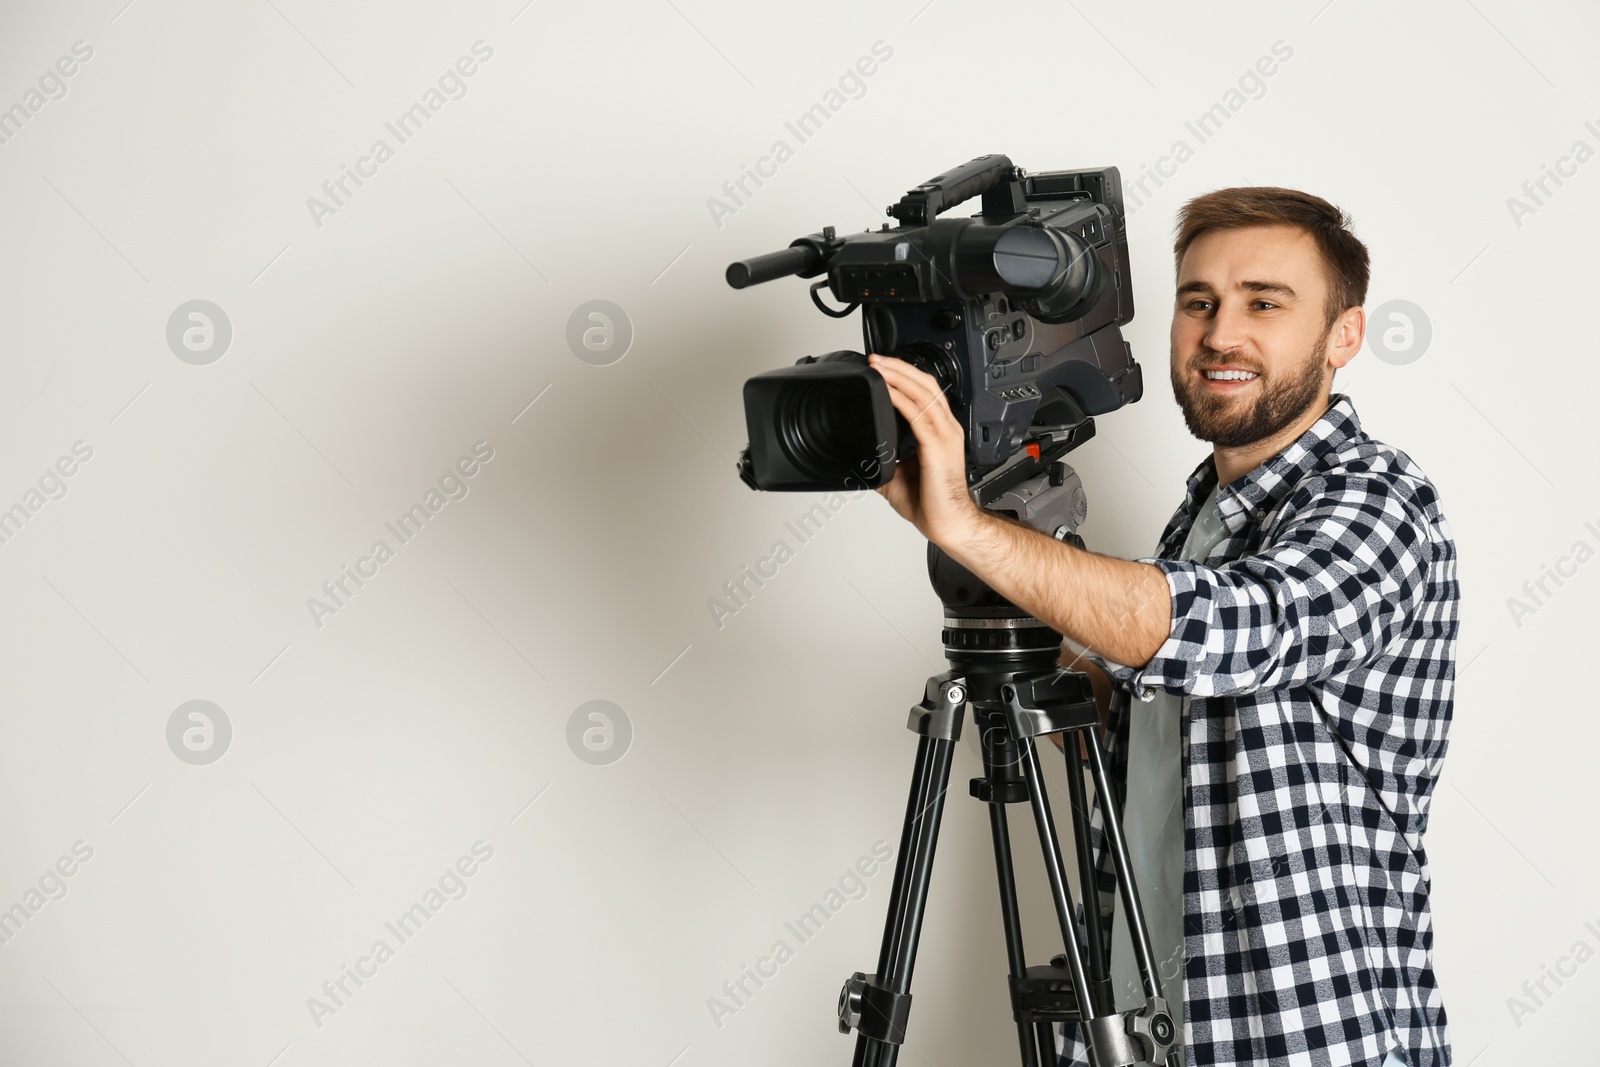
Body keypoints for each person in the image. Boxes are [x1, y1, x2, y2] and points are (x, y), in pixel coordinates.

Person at [867, 186, 1456, 1067]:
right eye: (1198, 302)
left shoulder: (1377, 500)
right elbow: (1129, 739)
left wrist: (973, 529)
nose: (1222, 334)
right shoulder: (1204, 514)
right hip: (1144, 1023)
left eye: (1265, 302)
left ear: (1345, 335)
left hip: (1301, 1036)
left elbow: (1231, 629)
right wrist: (988, 558)